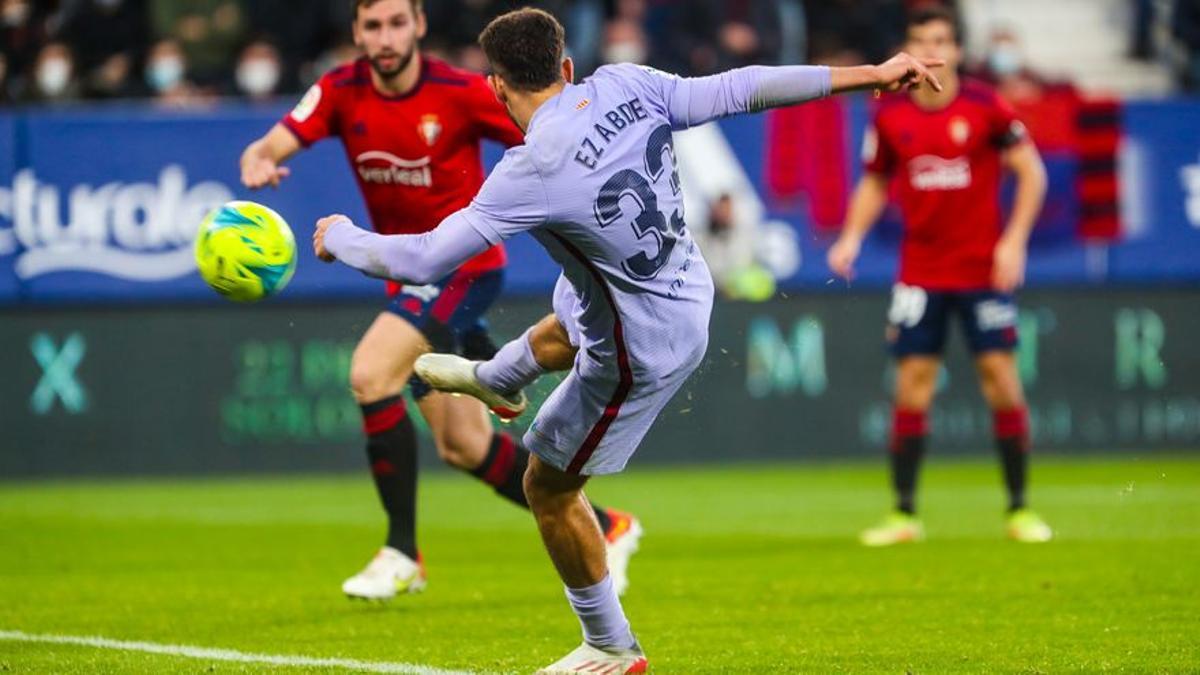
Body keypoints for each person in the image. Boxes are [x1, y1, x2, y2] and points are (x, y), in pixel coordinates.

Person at [312, 7, 943, 671]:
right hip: (685, 288)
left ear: (497, 88)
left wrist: (342, 237)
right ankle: (501, 375)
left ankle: (609, 645)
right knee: (577, 296)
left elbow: (424, 260)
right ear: (565, 67)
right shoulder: (627, 83)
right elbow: (744, 86)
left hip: (643, 348)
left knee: (547, 487)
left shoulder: (530, 170)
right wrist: (871, 72)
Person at [239, 0, 639, 602]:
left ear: (419, 27)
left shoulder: (459, 91)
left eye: (398, 23)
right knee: (465, 447)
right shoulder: (339, 90)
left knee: (371, 373)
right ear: (356, 32)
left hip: (466, 270)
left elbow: (555, 130)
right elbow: (273, 143)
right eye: (372, 26)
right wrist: (259, 160)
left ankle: (401, 552)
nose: (385, 37)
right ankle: (608, 526)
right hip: (411, 280)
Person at [826, 7, 1053, 547]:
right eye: (924, 42)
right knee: (910, 390)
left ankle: (1019, 510)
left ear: (954, 50)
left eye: (943, 41)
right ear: (911, 52)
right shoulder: (891, 117)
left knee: (1001, 382)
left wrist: (1014, 240)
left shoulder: (985, 106)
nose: (935, 51)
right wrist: (851, 237)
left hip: (980, 270)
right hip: (921, 273)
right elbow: (875, 183)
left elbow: (1032, 172)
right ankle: (904, 515)